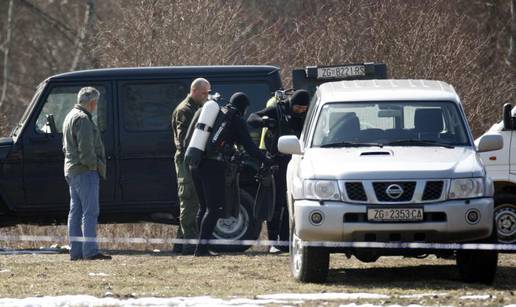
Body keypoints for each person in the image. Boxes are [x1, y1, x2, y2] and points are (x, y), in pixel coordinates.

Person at [192, 92, 272, 256]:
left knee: (204, 207)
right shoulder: (235, 119)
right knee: (214, 209)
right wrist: (266, 160)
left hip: (196, 163)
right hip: (213, 166)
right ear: (243, 107)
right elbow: (249, 146)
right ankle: (201, 249)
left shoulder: (218, 114)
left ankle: (200, 247)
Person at [247, 89, 310, 253]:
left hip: (295, 161)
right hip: (276, 161)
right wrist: (266, 122)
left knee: (290, 203)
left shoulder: (307, 115)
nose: (301, 111)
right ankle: (273, 241)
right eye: (298, 107)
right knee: (276, 202)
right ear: (292, 103)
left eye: (304, 108)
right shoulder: (278, 110)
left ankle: (285, 241)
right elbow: (252, 118)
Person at [62, 87, 111, 261]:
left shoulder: (70, 115)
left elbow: (65, 146)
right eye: (95, 102)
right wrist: (94, 166)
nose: (96, 105)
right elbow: (86, 150)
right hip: (84, 171)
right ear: (91, 102)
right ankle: (90, 251)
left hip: (72, 170)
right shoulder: (83, 119)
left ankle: (76, 252)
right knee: (90, 212)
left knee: (75, 212)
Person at [171, 78, 211, 255]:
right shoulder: (185, 110)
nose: (206, 96)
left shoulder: (196, 108)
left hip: (191, 159)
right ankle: (189, 244)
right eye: (204, 93)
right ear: (194, 90)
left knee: (192, 200)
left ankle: (180, 243)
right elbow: (184, 140)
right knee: (189, 200)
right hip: (186, 160)